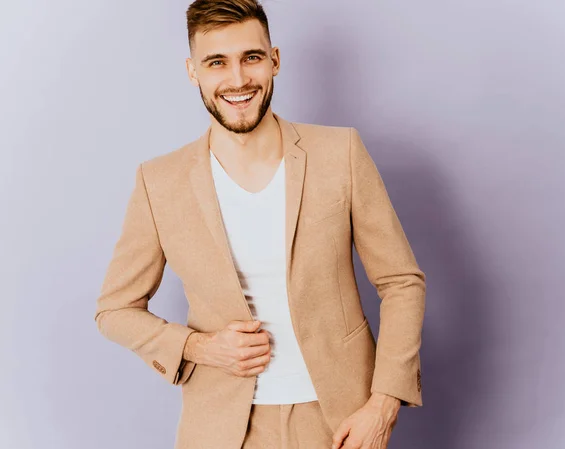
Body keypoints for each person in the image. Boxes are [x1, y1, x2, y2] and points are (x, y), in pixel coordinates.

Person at [94, 1, 426, 448]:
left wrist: (383, 403)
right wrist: (199, 347)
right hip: (220, 427)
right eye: (217, 63)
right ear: (193, 72)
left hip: (340, 420)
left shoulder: (340, 153)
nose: (237, 80)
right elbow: (114, 311)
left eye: (251, 57)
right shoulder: (159, 182)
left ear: (274, 60)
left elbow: (401, 282)